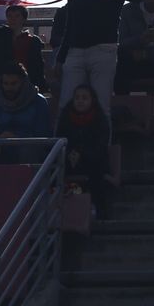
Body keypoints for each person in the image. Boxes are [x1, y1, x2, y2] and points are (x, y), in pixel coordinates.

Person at [55, 0, 139, 122]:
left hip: (103, 50)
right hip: (75, 52)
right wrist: (60, 59)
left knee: (101, 106)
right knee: (67, 105)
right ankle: (67, 148)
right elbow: (70, 26)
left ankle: (100, 149)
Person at [57, 84, 113, 217]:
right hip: (69, 159)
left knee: (96, 172)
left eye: (84, 98)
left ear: (92, 100)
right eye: (77, 98)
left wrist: (82, 153)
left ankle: (99, 210)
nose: (80, 101)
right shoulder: (66, 117)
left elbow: (101, 146)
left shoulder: (100, 120)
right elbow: (60, 139)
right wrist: (70, 153)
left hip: (94, 160)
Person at [0, 65, 50, 163]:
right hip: (0, 151)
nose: (9, 88)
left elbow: (43, 137)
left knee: (28, 152)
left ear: (23, 83)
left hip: (29, 151)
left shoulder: (39, 102)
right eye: (5, 84)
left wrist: (16, 139)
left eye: (13, 84)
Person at [0, 2, 49, 97]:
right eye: (10, 16)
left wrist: (40, 85)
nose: (13, 19)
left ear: (23, 19)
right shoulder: (0, 35)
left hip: (26, 83)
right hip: (3, 83)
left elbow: (38, 67)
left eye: (17, 16)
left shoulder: (33, 41)